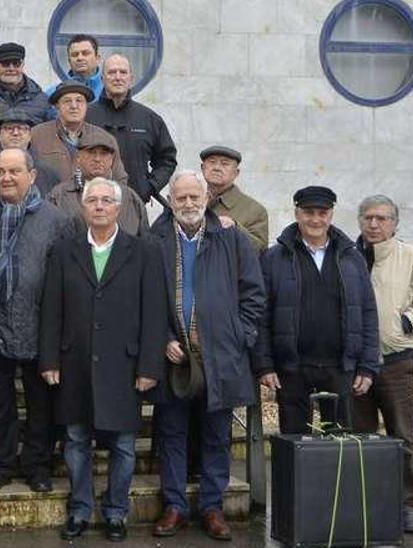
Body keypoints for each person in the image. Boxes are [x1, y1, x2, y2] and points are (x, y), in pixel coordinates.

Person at [38, 177, 166, 542]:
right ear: (83, 206)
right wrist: (49, 360)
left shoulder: (143, 251)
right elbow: (51, 310)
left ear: (119, 206)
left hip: (124, 367)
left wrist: (149, 367)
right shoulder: (64, 251)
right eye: (91, 200)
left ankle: (115, 512)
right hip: (75, 363)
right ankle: (79, 510)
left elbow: (154, 314)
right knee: (76, 441)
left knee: (123, 445)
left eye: (105, 200)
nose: (98, 206)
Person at [146, 171, 265, 541]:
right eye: (180, 198)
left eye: (194, 197)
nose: (188, 204)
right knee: (171, 434)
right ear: (171, 201)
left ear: (207, 197)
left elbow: (254, 295)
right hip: (174, 358)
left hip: (220, 356)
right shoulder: (154, 241)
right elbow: (144, 300)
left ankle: (213, 507)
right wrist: (163, 338)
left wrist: (238, 337)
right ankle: (175, 506)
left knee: (216, 436)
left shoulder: (232, 239)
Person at [0, 148, 76, 495]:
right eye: (0, 171)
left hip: (39, 327)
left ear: (32, 175)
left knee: (40, 405)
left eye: (14, 171)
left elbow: (65, 280)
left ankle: (37, 466)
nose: (6, 178)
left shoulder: (56, 220)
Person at [352, 194, 413, 535]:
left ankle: (410, 504)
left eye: (382, 219)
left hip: (395, 362)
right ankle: (364, 502)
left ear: (394, 223)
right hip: (355, 366)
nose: (374, 225)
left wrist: (406, 322)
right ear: (360, 221)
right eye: (368, 218)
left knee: (403, 435)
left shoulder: (412, 257)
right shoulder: (347, 256)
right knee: (358, 437)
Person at [255, 186, 380, 435]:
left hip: (339, 367)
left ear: (331, 215)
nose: (315, 219)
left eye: (322, 213)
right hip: (292, 368)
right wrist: (265, 365)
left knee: (339, 445)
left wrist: (367, 366)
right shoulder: (274, 258)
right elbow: (262, 315)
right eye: (308, 212)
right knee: (293, 443)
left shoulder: (351, 258)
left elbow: (367, 312)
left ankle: (334, 477)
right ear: (297, 214)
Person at [87, 54, 177, 205]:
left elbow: (167, 159)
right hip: (94, 204)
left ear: (131, 78)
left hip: (134, 204)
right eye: (112, 72)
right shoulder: (87, 116)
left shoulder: (149, 119)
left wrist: (149, 187)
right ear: (102, 79)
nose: (117, 77)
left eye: (123, 72)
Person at [46, 132, 147, 236]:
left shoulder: (130, 198)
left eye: (103, 153)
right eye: (91, 152)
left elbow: (145, 243)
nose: (97, 159)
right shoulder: (58, 196)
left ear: (111, 160)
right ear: (78, 157)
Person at [0, 109, 61, 204]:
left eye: (21, 128)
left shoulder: (48, 173)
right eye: (9, 128)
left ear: (29, 135)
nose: (15, 133)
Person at [30, 81, 117, 184]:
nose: (74, 106)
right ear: (57, 106)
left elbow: (119, 178)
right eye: (67, 101)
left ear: (86, 106)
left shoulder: (105, 138)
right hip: (50, 199)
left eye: (79, 101)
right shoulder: (36, 135)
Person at [201, 145, 270, 252]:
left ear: (236, 173)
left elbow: (260, 251)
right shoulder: (189, 200)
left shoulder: (255, 210)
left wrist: (235, 228)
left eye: (225, 164)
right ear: (202, 168)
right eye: (212, 162)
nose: (217, 168)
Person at [0, 42, 51, 124]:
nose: (11, 69)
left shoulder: (40, 98)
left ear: (23, 65)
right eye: (5, 64)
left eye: (16, 64)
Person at [43, 34, 103, 100]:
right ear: (69, 61)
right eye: (75, 55)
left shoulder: (109, 90)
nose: (80, 58)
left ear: (97, 58)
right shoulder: (53, 94)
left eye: (85, 53)